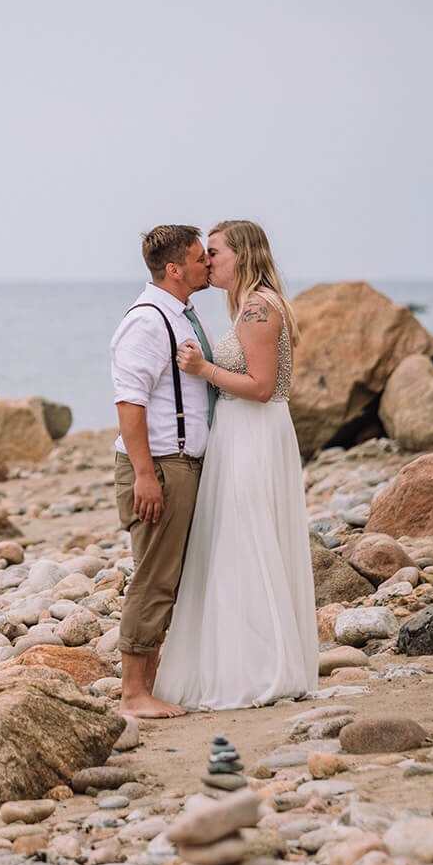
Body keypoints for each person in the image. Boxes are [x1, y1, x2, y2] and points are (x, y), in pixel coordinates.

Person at [153, 219, 318, 711]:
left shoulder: (259, 307)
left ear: (242, 255)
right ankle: (242, 660)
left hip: (254, 433)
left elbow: (264, 388)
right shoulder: (248, 306)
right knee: (237, 543)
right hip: (241, 433)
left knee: (247, 542)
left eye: (216, 252)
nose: (208, 261)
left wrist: (204, 370)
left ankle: (260, 669)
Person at [109, 224, 219, 718]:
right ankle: (133, 694)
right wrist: (145, 474)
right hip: (159, 467)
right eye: (199, 258)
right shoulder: (148, 321)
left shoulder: (183, 315)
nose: (208, 264)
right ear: (174, 269)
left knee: (168, 578)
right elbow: (129, 403)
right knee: (153, 578)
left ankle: (149, 684)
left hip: (180, 465)